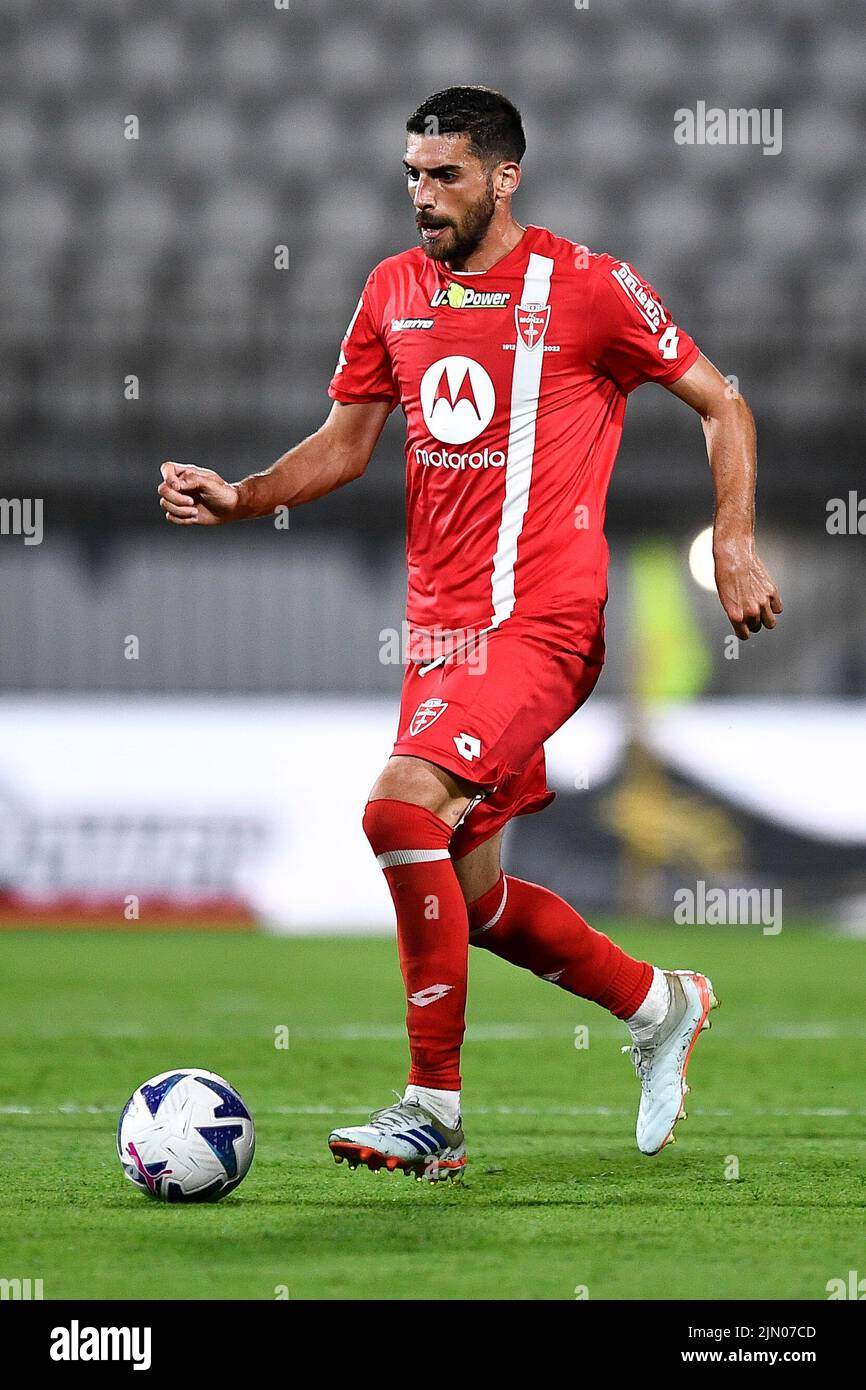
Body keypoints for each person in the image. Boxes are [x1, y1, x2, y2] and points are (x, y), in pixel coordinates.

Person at [158, 86, 782, 1182]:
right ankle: (657, 1003)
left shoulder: (587, 287)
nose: (420, 195)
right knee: (476, 896)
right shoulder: (392, 290)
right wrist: (244, 493)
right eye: (410, 173)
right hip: (439, 641)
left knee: (397, 809)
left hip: (540, 626)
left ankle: (431, 1109)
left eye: (443, 174)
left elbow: (721, 402)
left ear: (503, 178)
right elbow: (346, 444)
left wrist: (729, 540)